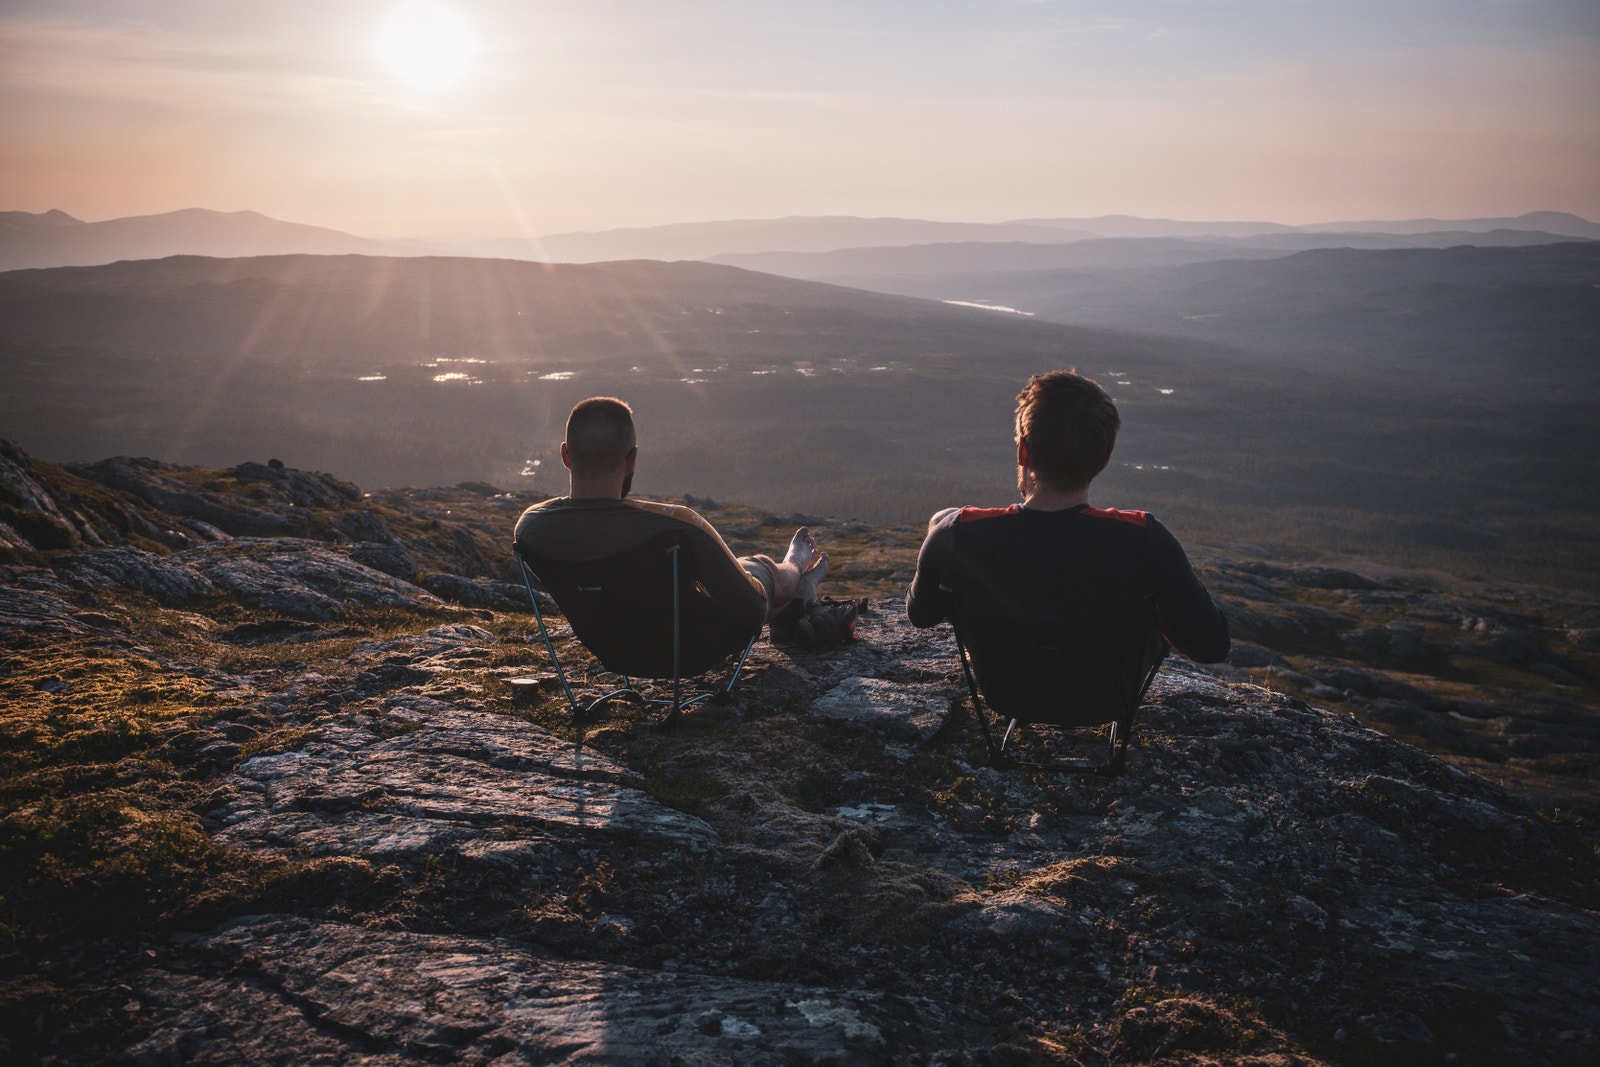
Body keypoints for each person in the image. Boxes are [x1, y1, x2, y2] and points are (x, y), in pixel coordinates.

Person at [906, 370, 1228, 664]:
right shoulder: (1146, 540)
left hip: (1006, 695)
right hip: (1104, 701)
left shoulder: (956, 534)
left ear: (1023, 452)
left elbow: (921, 615)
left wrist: (942, 526)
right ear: (1104, 459)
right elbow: (1211, 646)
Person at [514, 396, 835, 646]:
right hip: (692, 650)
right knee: (759, 568)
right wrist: (782, 570)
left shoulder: (532, 528)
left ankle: (800, 590)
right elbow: (751, 609)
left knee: (735, 582)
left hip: (611, 651)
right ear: (632, 459)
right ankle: (797, 566)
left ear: (565, 456)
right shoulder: (675, 527)